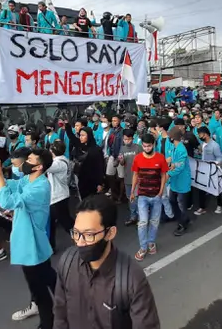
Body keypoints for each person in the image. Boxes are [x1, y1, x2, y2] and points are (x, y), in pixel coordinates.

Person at [54, 195, 161, 328]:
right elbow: (60, 315)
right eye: (76, 233)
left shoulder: (131, 279)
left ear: (110, 233)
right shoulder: (67, 263)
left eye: (89, 235)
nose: (80, 242)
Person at [0, 148, 56, 329]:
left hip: (31, 244)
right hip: (32, 241)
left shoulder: (40, 187)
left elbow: (8, 201)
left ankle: (47, 323)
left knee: (39, 289)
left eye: (30, 160)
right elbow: (10, 185)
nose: (26, 162)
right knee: (48, 276)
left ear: (39, 167)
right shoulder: (29, 180)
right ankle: (68, 301)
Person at [130, 133, 168, 261]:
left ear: (153, 145)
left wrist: (161, 191)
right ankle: (143, 247)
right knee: (143, 222)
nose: (147, 148)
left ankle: (151, 242)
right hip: (142, 195)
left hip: (157, 195)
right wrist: (132, 192)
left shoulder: (160, 158)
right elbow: (135, 175)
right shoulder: (138, 158)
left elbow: (163, 175)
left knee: (154, 222)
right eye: (145, 146)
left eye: (149, 146)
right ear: (142, 145)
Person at [66, 125, 105, 199]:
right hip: (81, 178)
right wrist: (67, 125)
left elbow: (99, 167)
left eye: (83, 135)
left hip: (92, 180)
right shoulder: (80, 145)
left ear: (89, 136)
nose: (81, 137)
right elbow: (71, 136)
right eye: (80, 135)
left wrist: (100, 183)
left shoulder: (96, 150)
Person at [167, 127, 192, 237]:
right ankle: (182, 219)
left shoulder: (181, 149)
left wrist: (168, 174)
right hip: (175, 181)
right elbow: (173, 162)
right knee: (172, 200)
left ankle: (183, 224)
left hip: (182, 180)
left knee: (181, 204)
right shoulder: (174, 147)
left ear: (172, 137)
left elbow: (180, 167)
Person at [194, 126, 222, 215]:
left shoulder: (215, 145)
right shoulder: (203, 144)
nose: (199, 136)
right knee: (201, 188)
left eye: (200, 134)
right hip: (204, 169)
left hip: (213, 170)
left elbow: (219, 157)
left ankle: (220, 205)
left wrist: (217, 163)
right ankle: (202, 207)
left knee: (216, 188)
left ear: (205, 134)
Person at [119, 130, 141, 225]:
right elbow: (122, 163)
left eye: (128, 139)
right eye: (125, 139)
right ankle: (133, 217)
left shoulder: (138, 148)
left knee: (137, 198)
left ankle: (140, 218)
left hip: (137, 177)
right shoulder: (122, 149)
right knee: (130, 198)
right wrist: (121, 160)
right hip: (127, 176)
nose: (126, 141)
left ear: (132, 138)